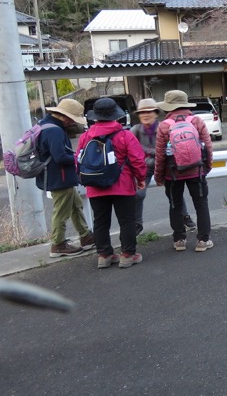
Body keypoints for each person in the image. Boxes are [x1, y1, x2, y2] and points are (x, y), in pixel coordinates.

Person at [77, 98, 148, 268]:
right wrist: (140, 179)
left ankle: (104, 256)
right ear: (116, 116)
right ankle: (127, 255)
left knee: (100, 221)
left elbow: (78, 160)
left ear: (96, 117)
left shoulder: (85, 136)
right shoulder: (125, 135)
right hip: (122, 185)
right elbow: (138, 160)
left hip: (95, 185)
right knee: (127, 221)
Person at [154, 90, 215, 252]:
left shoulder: (164, 126)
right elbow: (208, 147)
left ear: (168, 107)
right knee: (201, 204)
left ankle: (179, 239)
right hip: (197, 170)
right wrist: (207, 166)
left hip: (172, 174)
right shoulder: (196, 121)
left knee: (175, 205)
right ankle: (203, 241)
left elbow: (160, 155)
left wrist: (159, 176)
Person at [35, 99, 96, 257]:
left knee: (76, 205)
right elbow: (60, 157)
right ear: (66, 117)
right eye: (73, 119)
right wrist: (79, 158)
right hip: (59, 177)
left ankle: (85, 237)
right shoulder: (54, 130)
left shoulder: (45, 125)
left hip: (57, 176)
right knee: (62, 211)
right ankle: (58, 244)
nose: (72, 123)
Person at [130, 98, 194, 235]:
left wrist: (145, 150)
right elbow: (131, 149)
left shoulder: (163, 127)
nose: (145, 115)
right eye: (142, 112)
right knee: (138, 194)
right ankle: (137, 223)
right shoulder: (135, 130)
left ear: (155, 113)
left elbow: (168, 149)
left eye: (149, 111)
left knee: (173, 194)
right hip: (144, 168)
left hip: (164, 166)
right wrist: (153, 153)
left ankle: (185, 216)